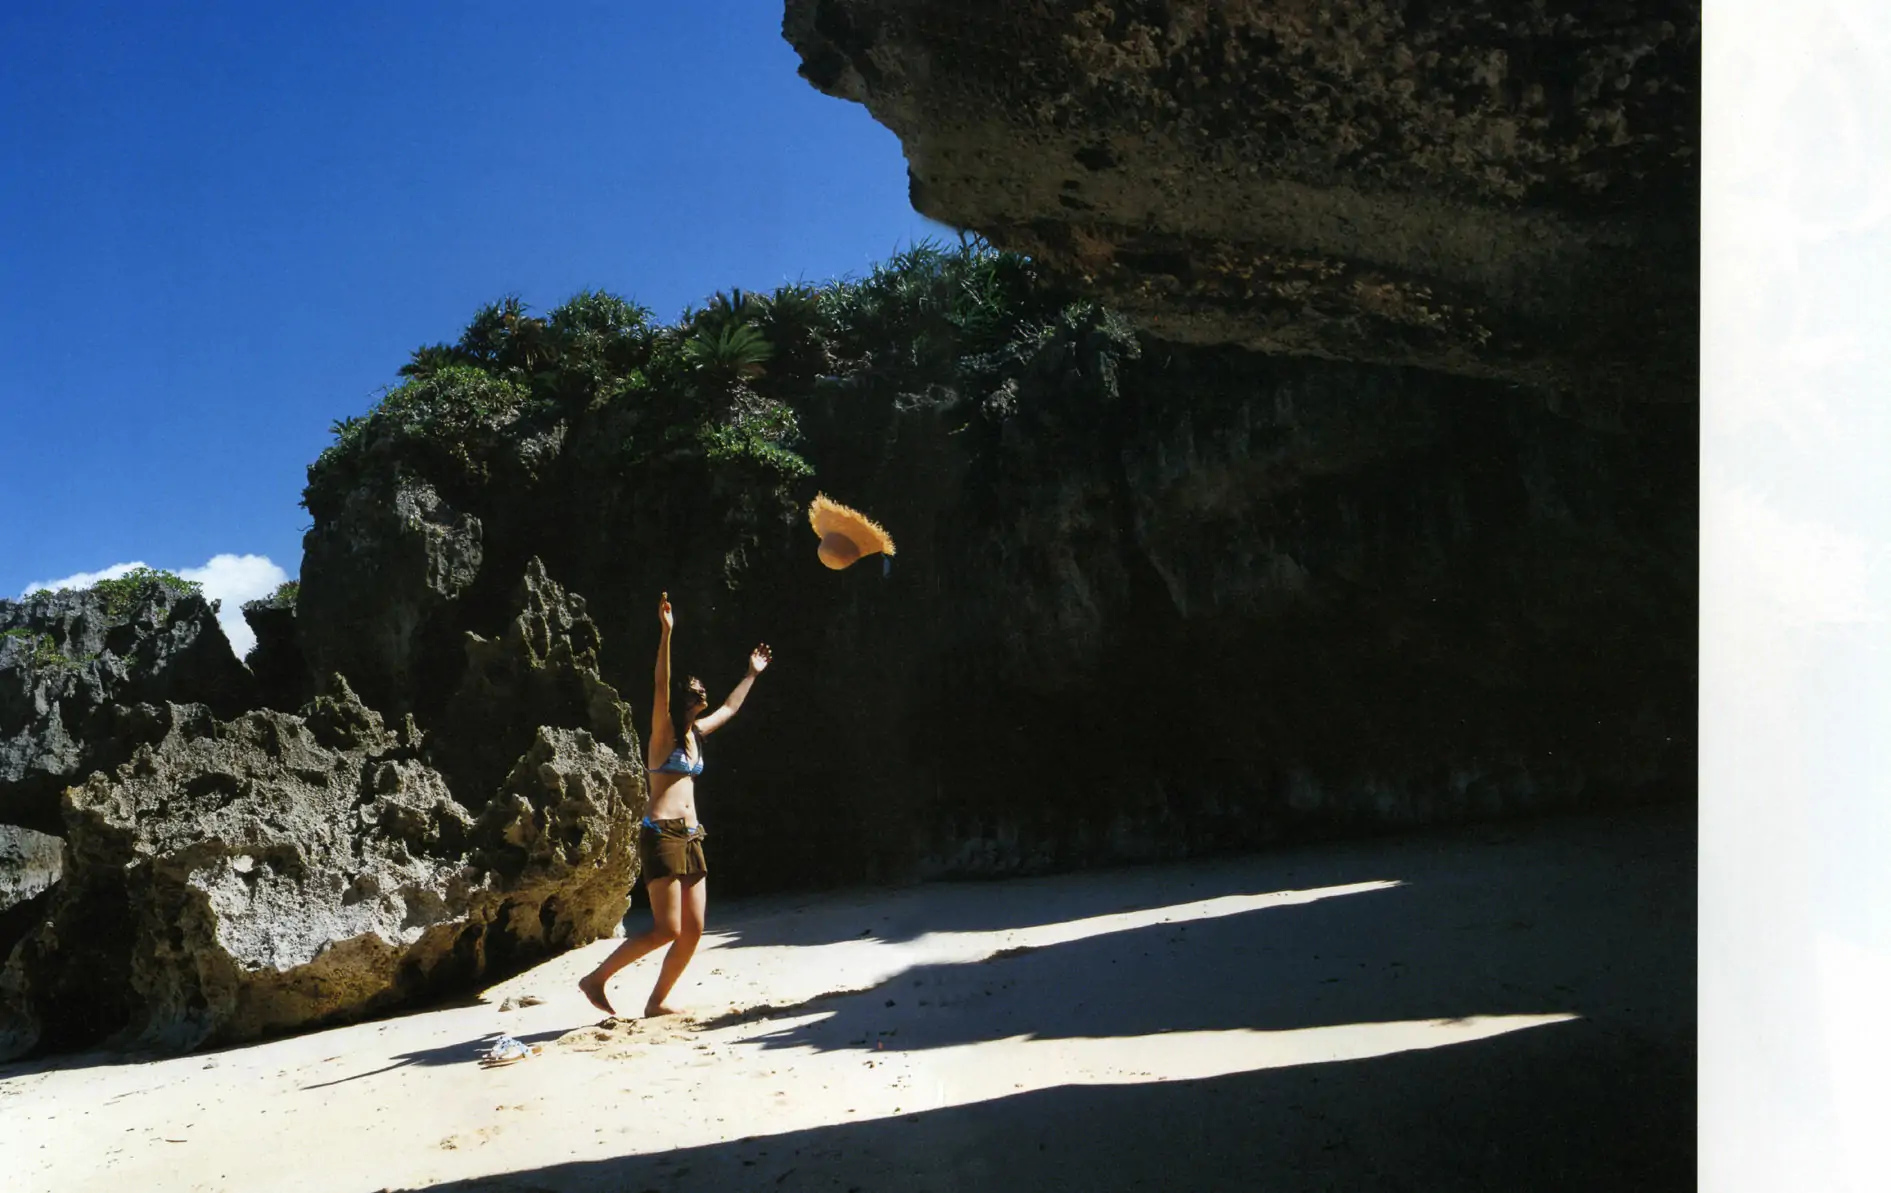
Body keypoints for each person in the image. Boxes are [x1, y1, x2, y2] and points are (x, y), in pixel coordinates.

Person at [578, 591, 771, 1018]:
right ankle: (595, 980)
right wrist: (666, 634)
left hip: (691, 835)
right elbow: (660, 682)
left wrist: (751, 673)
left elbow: (731, 708)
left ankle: (657, 1000)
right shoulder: (663, 734)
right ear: (684, 699)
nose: (704, 693)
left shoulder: (697, 735)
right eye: (697, 690)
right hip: (661, 835)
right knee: (667, 928)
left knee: (694, 928)